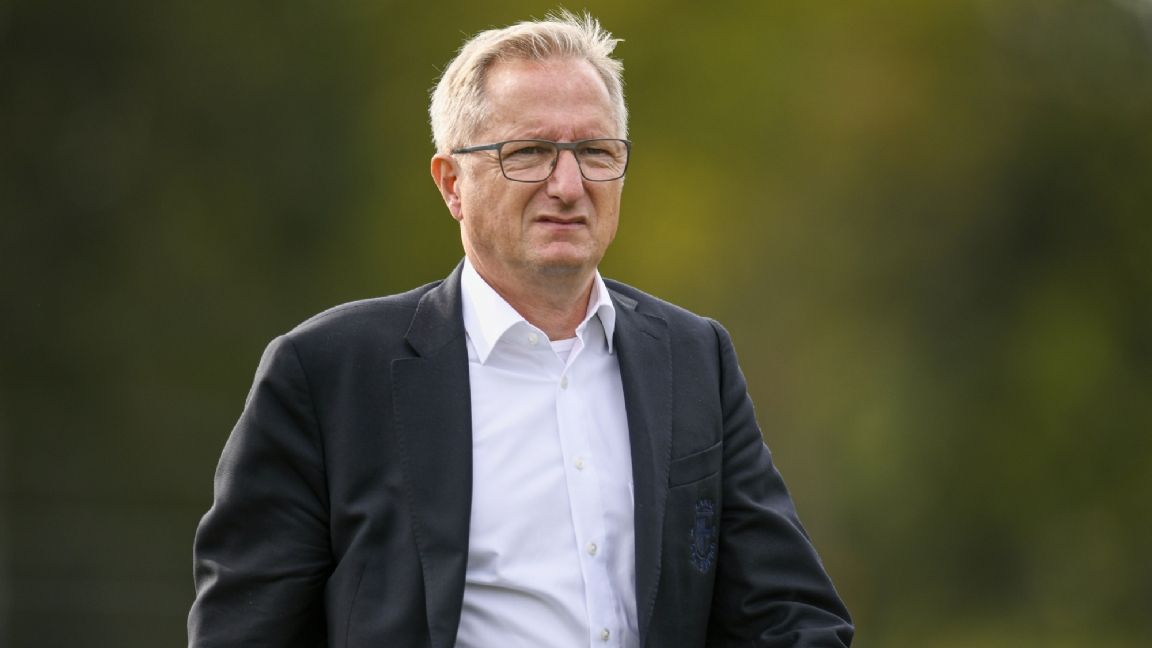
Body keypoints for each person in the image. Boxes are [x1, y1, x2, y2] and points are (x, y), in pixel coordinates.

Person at [188, 11, 853, 648]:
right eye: (530, 152)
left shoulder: (693, 358)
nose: (568, 184)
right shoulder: (327, 373)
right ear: (452, 183)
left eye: (594, 151)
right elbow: (244, 631)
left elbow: (788, 615)